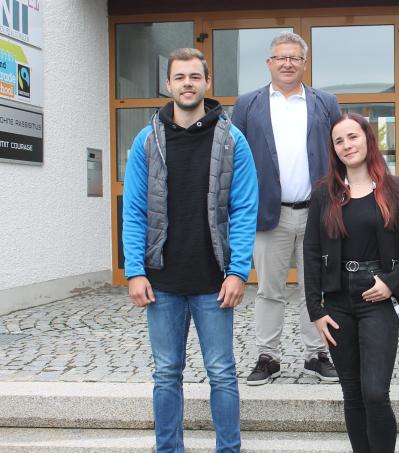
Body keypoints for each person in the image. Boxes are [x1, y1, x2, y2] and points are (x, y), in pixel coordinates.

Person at [122, 48, 258, 453]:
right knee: (166, 373)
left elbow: (245, 210)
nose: (187, 83)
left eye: (194, 77)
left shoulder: (233, 141)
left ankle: (229, 449)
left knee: (221, 372)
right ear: (168, 84)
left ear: (207, 83)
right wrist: (134, 270)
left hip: (213, 281)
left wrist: (238, 272)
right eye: (179, 77)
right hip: (161, 279)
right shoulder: (147, 140)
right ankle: (168, 449)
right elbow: (134, 211)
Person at [304, 113, 399, 453]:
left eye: (352, 137)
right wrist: (316, 309)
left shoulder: (397, 188)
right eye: (339, 141)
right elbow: (311, 251)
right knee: (353, 394)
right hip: (339, 300)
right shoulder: (325, 194)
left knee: (374, 392)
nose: (347, 145)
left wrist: (391, 282)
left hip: (378, 299)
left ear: (368, 139)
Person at [232, 31, 341, 385]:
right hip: (268, 214)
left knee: (317, 287)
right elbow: (237, 160)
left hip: (317, 213)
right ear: (269, 63)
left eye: (294, 57)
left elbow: (340, 155)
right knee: (268, 289)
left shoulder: (326, 103)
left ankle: (317, 354)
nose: (288, 63)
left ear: (304, 64)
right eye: (281, 57)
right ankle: (268, 356)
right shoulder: (248, 105)